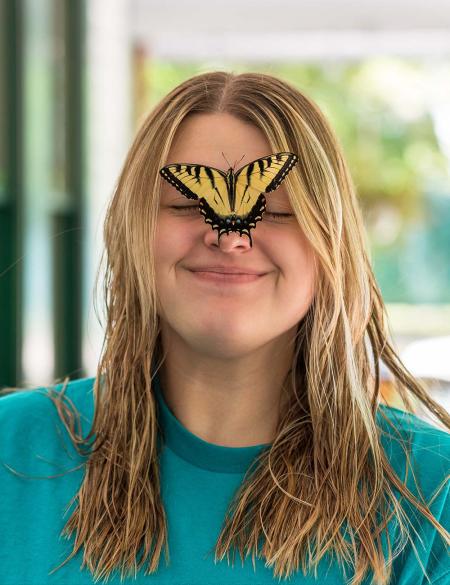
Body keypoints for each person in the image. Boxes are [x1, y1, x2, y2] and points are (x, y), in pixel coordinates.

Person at [0, 71, 449, 585]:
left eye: (275, 210)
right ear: (132, 231)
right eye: (188, 205)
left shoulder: (433, 492)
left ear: (331, 244)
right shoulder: (8, 452)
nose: (228, 236)